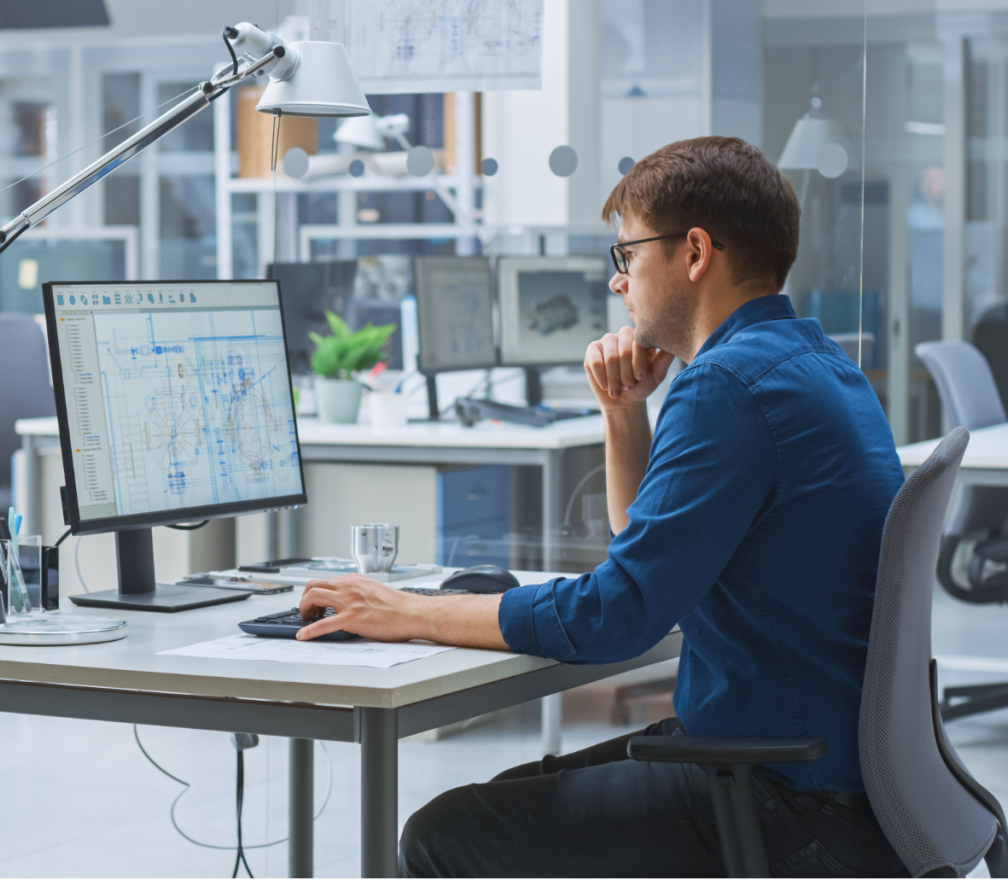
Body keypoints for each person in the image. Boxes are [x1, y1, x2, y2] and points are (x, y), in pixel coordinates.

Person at [295, 136, 908, 877]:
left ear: (695, 252)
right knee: (501, 805)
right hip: (832, 781)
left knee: (444, 836)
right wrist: (624, 414)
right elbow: (645, 550)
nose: (618, 282)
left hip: (786, 804)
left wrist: (410, 612)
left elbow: (616, 614)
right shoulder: (811, 362)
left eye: (628, 254)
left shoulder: (728, 389)